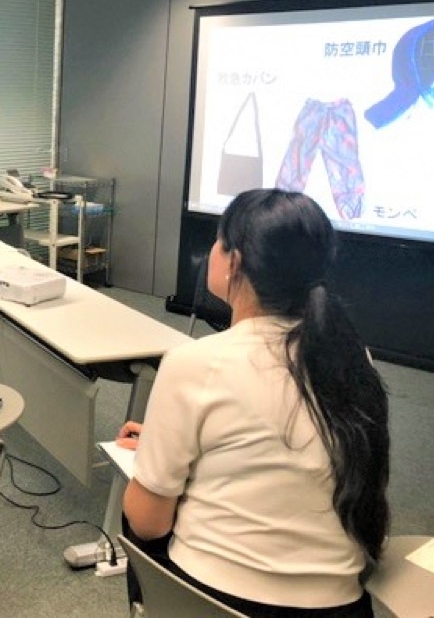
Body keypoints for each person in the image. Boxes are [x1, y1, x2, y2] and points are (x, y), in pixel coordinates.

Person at [118, 189, 389, 618]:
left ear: (235, 262)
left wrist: (151, 465)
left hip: (216, 602)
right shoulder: (352, 357)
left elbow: (149, 523)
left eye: (218, 240)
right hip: (341, 607)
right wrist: (163, 443)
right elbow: (277, 444)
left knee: (134, 515)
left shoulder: (194, 362)